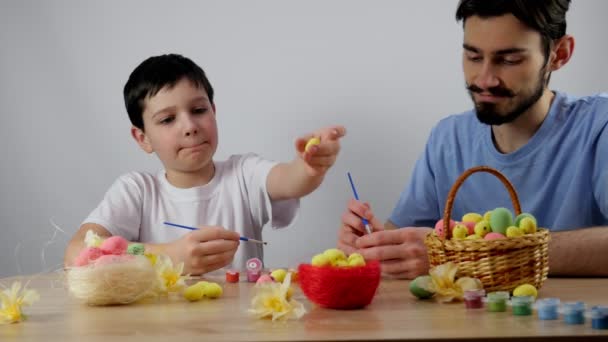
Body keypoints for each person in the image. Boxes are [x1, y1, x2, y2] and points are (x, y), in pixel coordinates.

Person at [338, 0, 608, 278]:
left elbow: (437, 253)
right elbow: (407, 245)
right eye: (474, 57)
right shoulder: (448, 138)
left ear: (559, 54)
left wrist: (459, 255)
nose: (485, 79)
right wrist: (372, 245)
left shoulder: (600, 125)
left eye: (509, 59)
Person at [64, 53, 345, 275]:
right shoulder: (136, 191)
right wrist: (169, 257)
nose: (189, 126)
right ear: (142, 138)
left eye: (199, 110)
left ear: (214, 111)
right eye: (167, 119)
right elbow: (77, 254)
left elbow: (289, 179)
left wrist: (310, 166)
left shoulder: (243, 174)